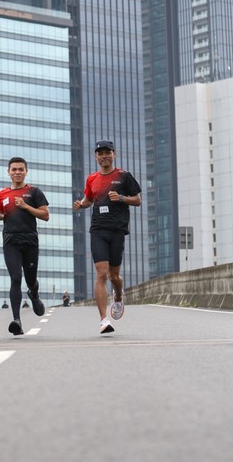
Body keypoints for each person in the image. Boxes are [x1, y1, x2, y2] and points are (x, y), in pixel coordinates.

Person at [73, 140, 141, 334]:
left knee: (113, 276)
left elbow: (137, 200)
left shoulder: (123, 176)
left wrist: (121, 198)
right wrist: (81, 204)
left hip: (117, 230)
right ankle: (104, 320)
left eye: (107, 152)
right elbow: (89, 200)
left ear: (114, 154)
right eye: (100, 153)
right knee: (101, 273)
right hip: (98, 230)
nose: (104, 156)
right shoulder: (92, 179)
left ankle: (118, 295)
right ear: (96, 157)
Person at [0, 157, 49, 335]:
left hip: (30, 240)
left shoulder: (33, 191)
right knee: (16, 278)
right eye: (14, 169)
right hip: (11, 241)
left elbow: (45, 215)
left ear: (26, 171)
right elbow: (4, 215)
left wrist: (26, 206)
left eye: (20, 169)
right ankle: (16, 320)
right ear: (8, 172)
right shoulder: (2, 194)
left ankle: (34, 293)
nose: (17, 172)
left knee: (30, 280)